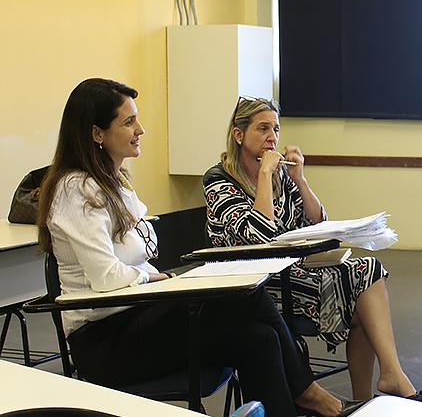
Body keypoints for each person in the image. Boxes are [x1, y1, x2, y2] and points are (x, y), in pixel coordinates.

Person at [37, 78, 362, 417]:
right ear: (96, 133)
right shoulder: (75, 190)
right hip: (106, 342)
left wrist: (154, 277)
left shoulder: (114, 183)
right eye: (129, 122)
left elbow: (134, 258)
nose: (141, 129)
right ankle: (310, 394)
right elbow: (106, 277)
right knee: (247, 295)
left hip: (137, 317)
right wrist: (155, 278)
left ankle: (303, 400)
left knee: (260, 339)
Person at [203, 95, 422, 403]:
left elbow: (317, 221)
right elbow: (260, 237)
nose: (272, 137)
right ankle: (370, 396)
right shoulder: (219, 181)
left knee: (368, 271)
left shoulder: (282, 175)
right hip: (257, 287)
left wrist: (300, 180)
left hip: (293, 270)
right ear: (238, 134)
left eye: (276, 129)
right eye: (263, 129)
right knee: (360, 305)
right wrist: (265, 176)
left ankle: (385, 379)